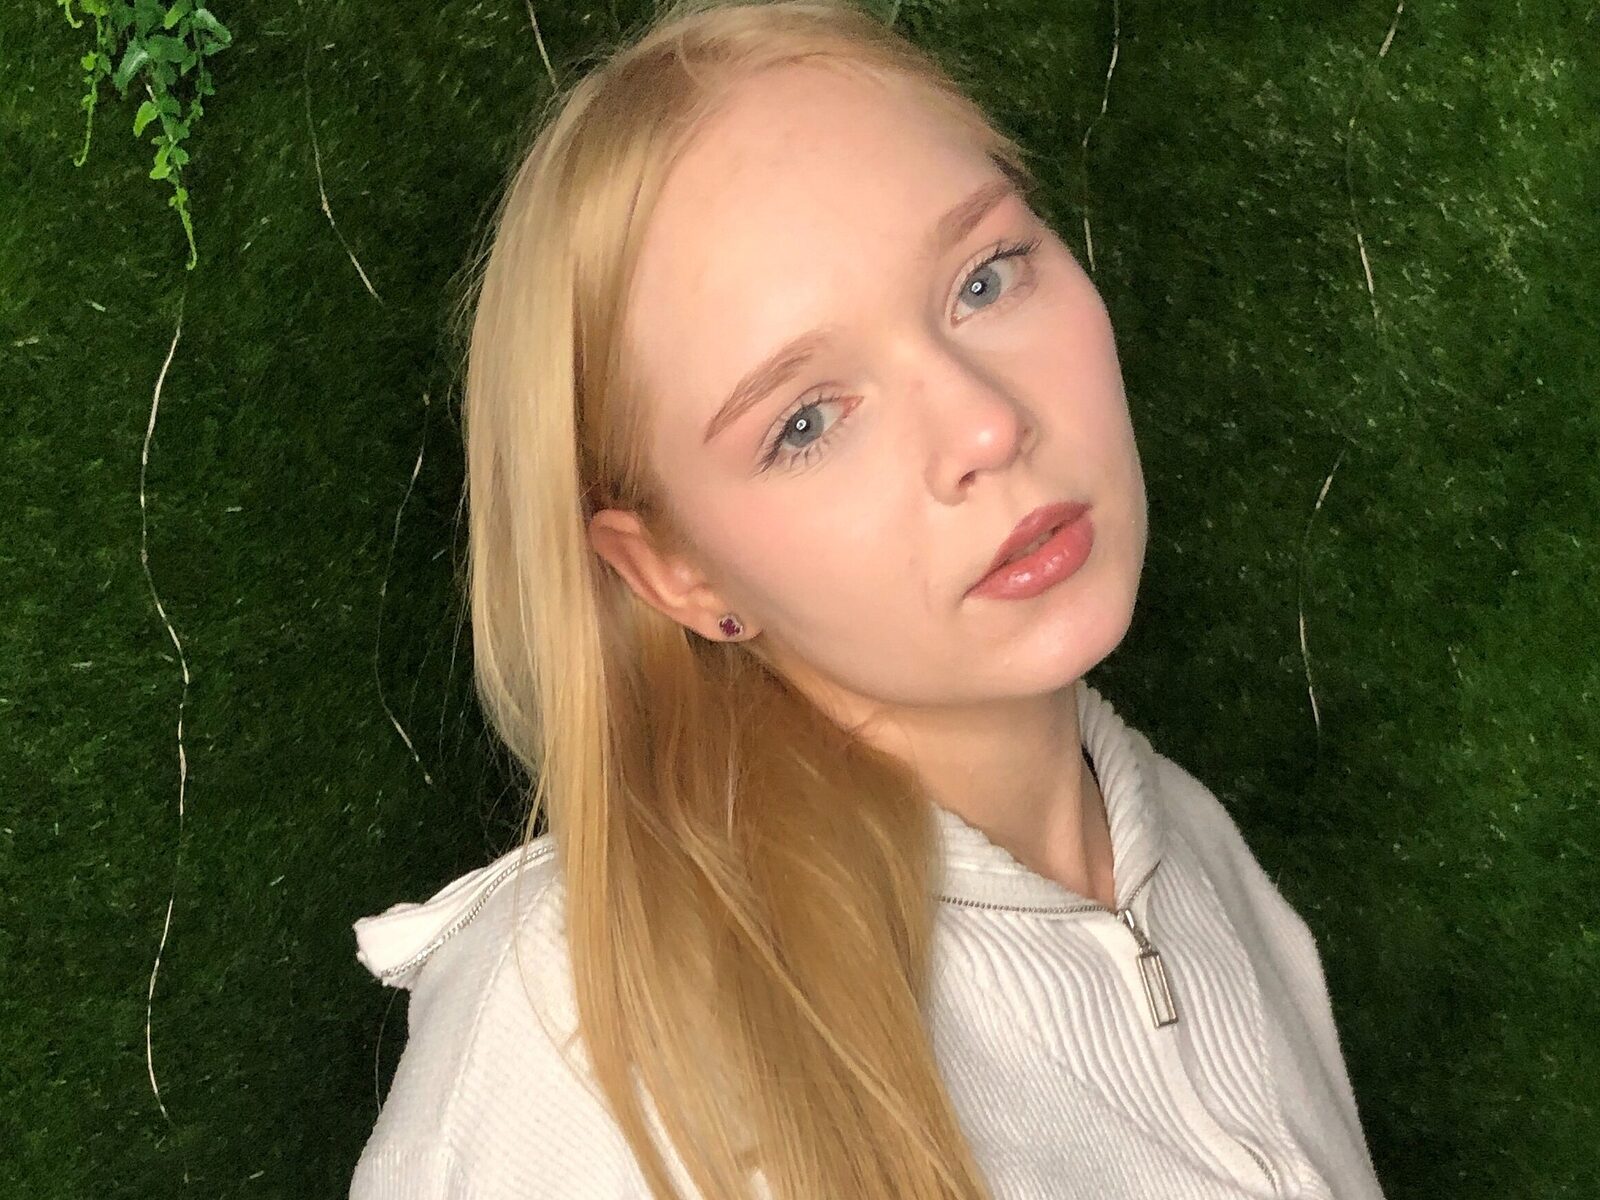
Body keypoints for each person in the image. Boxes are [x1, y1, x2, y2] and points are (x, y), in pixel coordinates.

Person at [347, 1, 1388, 1197]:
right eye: (804, 421)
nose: (986, 425)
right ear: (675, 571)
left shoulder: (1186, 844)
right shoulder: (579, 1041)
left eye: (984, 280)